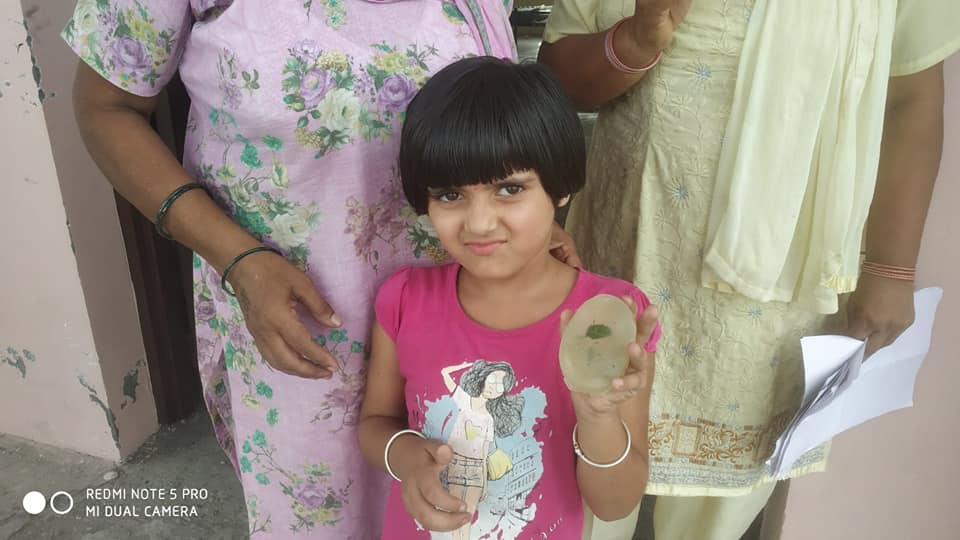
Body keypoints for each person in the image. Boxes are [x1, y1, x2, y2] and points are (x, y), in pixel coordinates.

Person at [60, 1, 583, 537]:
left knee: (464, 499)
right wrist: (238, 258)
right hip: (301, 329)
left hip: (460, 320)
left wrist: (528, 226)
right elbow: (107, 109)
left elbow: (495, 113)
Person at [538, 1, 960, 539]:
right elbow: (557, 78)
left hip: (769, 296)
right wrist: (635, 42)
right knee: (576, 481)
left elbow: (910, 95)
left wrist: (892, 269)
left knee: (714, 517)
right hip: (622, 254)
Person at [357, 57, 662, 539]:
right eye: (450, 196)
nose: (478, 223)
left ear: (560, 189)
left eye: (508, 188)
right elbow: (375, 424)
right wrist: (412, 460)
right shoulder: (404, 299)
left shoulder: (609, 317)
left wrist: (597, 417)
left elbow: (616, 501)